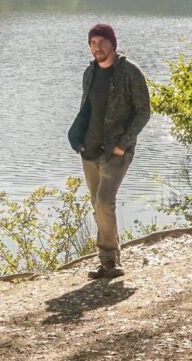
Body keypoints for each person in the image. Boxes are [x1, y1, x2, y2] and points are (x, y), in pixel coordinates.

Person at [67, 23, 151, 279]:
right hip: (89, 150)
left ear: (113, 44)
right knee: (97, 205)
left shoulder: (129, 72)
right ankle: (107, 262)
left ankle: (110, 261)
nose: (97, 48)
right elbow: (87, 110)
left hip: (116, 150)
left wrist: (123, 143)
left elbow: (144, 111)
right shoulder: (89, 73)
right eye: (93, 43)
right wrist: (79, 141)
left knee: (105, 202)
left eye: (102, 42)